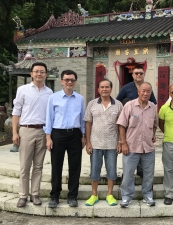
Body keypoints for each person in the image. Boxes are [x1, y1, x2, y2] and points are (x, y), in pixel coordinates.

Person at [12, 62, 53, 207]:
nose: (39, 74)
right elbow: (16, 112)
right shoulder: (23, 90)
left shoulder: (50, 93)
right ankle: (23, 195)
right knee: (25, 165)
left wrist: (49, 135)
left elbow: (51, 115)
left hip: (42, 131)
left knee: (38, 165)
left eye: (42, 71)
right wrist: (15, 132)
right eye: (36, 71)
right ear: (31, 74)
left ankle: (34, 194)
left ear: (46, 74)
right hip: (26, 130)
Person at [44, 70, 86, 208]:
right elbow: (49, 118)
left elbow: (82, 119)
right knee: (56, 166)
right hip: (58, 134)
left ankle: (72, 195)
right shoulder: (53, 97)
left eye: (72, 80)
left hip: (75, 134)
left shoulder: (80, 98)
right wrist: (48, 137)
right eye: (67, 79)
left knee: (75, 166)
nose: (69, 82)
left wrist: (83, 135)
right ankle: (55, 196)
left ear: (75, 82)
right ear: (62, 81)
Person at [117, 82, 158, 208]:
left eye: (148, 91)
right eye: (143, 91)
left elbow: (155, 124)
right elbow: (121, 125)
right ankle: (126, 197)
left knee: (149, 173)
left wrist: (153, 134)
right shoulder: (129, 105)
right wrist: (123, 143)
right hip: (131, 147)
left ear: (151, 93)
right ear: (138, 92)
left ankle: (148, 195)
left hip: (148, 147)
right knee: (128, 173)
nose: (145, 93)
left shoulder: (153, 107)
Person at [84, 78, 123, 206]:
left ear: (111, 89)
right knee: (94, 170)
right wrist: (88, 142)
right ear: (98, 89)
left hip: (112, 144)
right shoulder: (92, 104)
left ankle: (110, 194)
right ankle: (94, 195)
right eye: (102, 87)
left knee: (111, 170)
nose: (104, 89)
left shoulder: (118, 105)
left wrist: (120, 142)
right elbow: (88, 123)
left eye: (107, 87)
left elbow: (121, 125)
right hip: (95, 144)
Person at [117, 65, 157, 178]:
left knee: (143, 149)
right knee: (131, 151)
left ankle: (141, 171)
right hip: (130, 123)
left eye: (141, 73)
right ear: (133, 75)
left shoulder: (148, 88)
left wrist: (152, 133)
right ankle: (128, 174)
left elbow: (153, 103)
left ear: (144, 74)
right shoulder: (126, 88)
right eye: (136, 73)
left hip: (144, 122)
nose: (139, 75)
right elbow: (118, 102)